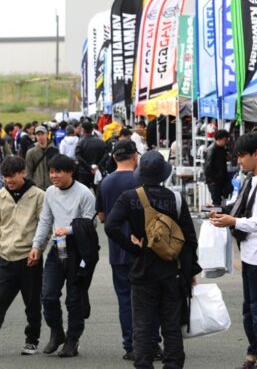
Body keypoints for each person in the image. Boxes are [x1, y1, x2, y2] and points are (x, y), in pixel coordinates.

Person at [105, 150, 200, 369]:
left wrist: (133, 248)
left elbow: (110, 226)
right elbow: (189, 239)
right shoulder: (176, 199)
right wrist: (190, 271)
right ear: (164, 174)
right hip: (172, 270)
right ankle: (173, 364)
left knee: (142, 326)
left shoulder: (130, 197)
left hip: (143, 269)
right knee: (172, 325)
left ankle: (143, 364)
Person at [210, 134, 257, 369]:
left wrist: (234, 221)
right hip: (251, 253)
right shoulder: (253, 178)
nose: (239, 160)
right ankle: (255, 351)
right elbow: (243, 209)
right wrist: (224, 212)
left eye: (242, 156)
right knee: (250, 310)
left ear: (256, 154)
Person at [0, 156, 45, 357]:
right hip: (6, 259)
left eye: (12, 176)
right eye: (5, 176)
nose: (8, 180)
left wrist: (38, 249)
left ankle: (32, 341)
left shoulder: (39, 196)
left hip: (30, 259)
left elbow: (44, 227)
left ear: (23, 173)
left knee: (32, 304)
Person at [96, 140, 161, 361]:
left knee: (125, 300)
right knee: (149, 299)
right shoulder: (142, 180)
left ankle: (131, 345)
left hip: (118, 250)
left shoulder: (105, 183)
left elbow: (102, 217)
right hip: (145, 248)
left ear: (114, 157)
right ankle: (152, 343)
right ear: (135, 156)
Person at [28, 154, 97, 358]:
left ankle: (72, 340)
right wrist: (36, 246)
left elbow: (91, 223)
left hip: (79, 249)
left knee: (74, 300)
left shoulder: (85, 193)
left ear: (70, 172)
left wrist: (68, 229)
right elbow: (45, 220)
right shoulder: (50, 192)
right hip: (57, 248)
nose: (53, 176)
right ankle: (57, 332)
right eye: (51, 172)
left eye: (58, 172)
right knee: (48, 295)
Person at [75, 121, 108, 188]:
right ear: (92, 129)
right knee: (98, 190)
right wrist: (98, 166)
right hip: (98, 171)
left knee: (84, 191)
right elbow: (106, 155)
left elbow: (78, 156)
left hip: (84, 172)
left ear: (83, 130)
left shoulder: (81, 143)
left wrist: (89, 167)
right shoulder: (101, 142)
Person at [204, 129, 232, 206]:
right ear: (219, 139)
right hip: (214, 181)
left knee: (221, 200)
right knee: (217, 202)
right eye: (225, 140)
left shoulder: (222, 149)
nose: (226, 142)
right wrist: (212, 181)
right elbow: (208, 167)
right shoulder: (211, 150)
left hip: (221, 179)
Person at [25, 126, 58, 190]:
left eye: (42, 134)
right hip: (37, 187)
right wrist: (30, 186)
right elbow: (28, 171)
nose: (40, 137)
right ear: (35, 136)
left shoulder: (54, 150)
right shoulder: (31, 152)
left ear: (46, 135)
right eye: (38, 135)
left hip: (52, 186)